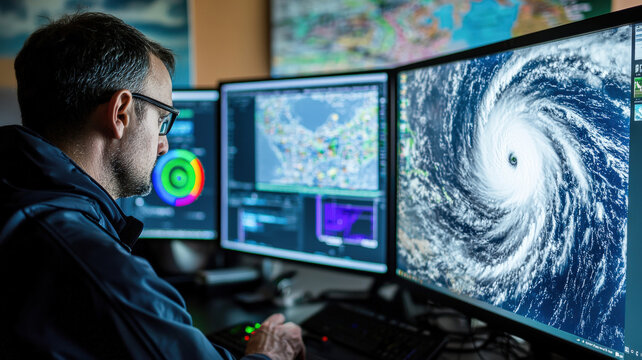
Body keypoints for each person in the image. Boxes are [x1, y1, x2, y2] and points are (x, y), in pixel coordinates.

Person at [0, 12, 305, 360]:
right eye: (162, 120)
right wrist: (270, 354)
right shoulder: (93, 264)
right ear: (121, 113)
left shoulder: (16, 191)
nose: (164, 145)